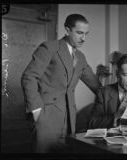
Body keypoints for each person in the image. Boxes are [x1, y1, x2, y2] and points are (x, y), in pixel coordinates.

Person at [21, 14, 101, 153]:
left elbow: (96, 86)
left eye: (86, 34)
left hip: (70, 119)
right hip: (46, 116)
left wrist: (121, 96)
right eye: (79, 33)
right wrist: (37, 111)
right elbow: (29, 77)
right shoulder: (49, 48)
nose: (83, 38)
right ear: (67, 30)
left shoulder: (80, 57)